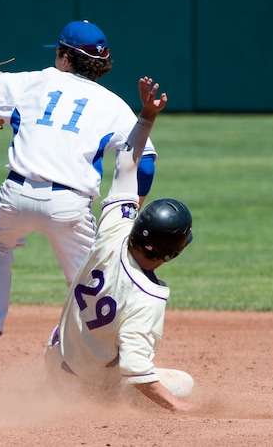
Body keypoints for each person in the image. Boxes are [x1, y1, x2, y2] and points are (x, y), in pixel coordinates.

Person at [0, 20, 158, 379]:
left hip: (15, 195)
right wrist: (136, 201)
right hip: (69, 206)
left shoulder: (34, 80)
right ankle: (103, 359)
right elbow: (146, 165)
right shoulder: (114, 105)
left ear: (64, 56)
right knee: (89, 284)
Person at [43, 76, 197, 412]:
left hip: (55, 359)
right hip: (84, 394)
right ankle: (101, 399)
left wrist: (147, 116)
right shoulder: (148, 297)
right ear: (169, 254)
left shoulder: (115, 229)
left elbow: (127, 161)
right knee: (183, 384)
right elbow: (137, 371)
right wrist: (180, 409)